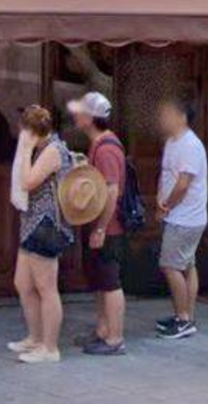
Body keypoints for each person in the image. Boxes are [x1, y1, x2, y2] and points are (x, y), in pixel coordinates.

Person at [9, 105, 73, 363]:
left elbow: (27, 182)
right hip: (32, 223)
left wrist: (25, 150)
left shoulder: (53, 151)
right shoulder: (43, 148)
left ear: (32, 131)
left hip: (46, 225)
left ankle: (50, 347)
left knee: (46, 288)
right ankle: (35, 338)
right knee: (23, 283)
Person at [67, 92, 128, 356]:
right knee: (101, 281)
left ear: (91, 118)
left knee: (110, 282)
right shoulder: (98, 145)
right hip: (98, 225)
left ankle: (115, 338)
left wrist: (101, 228)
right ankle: (103, 331)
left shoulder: (106, 149)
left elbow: (112, 191)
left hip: (108, 227)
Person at [155, 95, 208, 340]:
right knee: (187, 265)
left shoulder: (190, 145)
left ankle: (184, 319)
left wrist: (166, 206)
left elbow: (183, 184)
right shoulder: (172, 141)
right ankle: (186, 315)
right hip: (180, 215)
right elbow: (167, 175)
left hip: (185, 218)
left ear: (182, 117)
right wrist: (160, 199)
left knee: (170, 266)